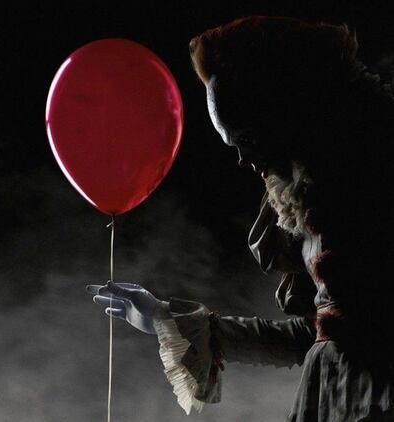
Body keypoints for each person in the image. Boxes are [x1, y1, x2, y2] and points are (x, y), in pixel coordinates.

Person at [88, 16, 394, 421]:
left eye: (247, 138)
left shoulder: (377, 175)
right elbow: (317, 336)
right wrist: (166, 317)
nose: (242, 158)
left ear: (288, 111)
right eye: (232, 143)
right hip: (332, 400)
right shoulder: (311, 202)